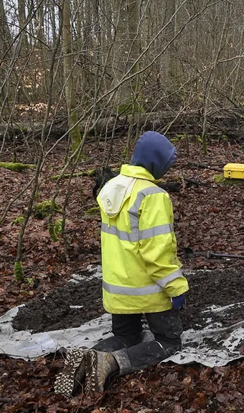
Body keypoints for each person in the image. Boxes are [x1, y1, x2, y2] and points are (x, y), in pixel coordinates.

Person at [54, 131, 188, 395]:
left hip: (117, 289)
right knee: (168, 341)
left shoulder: (111, 187)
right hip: (149, 289)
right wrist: (175, 287)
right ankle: (112, 361)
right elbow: (157, 252)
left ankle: (84, 358)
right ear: (155, 162)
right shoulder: (153, 196)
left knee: (127, 335)